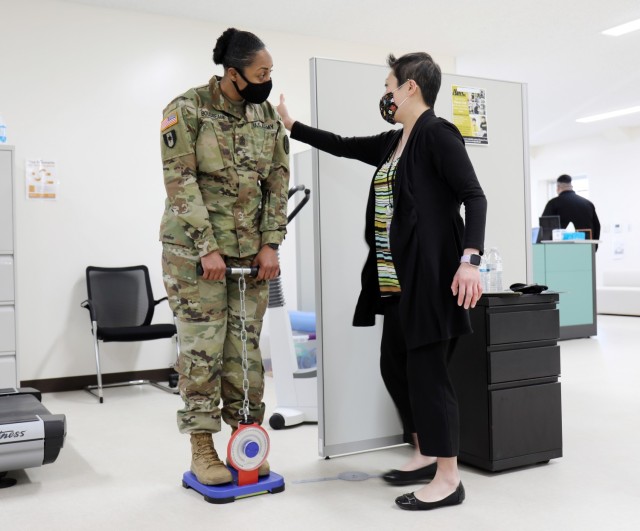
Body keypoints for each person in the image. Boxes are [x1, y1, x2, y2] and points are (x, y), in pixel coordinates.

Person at [277, 52, 487, 511]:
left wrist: (470, 259)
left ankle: (449, 480)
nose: (386, 93)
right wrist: (293, 126)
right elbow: (343, 144)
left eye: (390, 85)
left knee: (430, 376)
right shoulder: (396, 141)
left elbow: (474, 195)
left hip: (433, 280)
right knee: (396, 366)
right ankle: (426, 451)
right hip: (397, 283)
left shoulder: (437, 134)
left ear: (410, 87)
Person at [159, 28, 289, 485]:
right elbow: (180, 181)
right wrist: (206, 247)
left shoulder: (267, 116)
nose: (268, 79)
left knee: (244, 350)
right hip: (194, 259)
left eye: (270, 71)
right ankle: (202, 448)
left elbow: (277, 181)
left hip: (250, 258)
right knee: (203, 352)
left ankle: (245, 440)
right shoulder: (187, 109)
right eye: (261, 72)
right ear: (233, 74)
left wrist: (271, 243)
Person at [542, 174, 600, 241]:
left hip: (559, 249)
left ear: (558, 188)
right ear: (571, 186)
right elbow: (597, 226)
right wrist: (593, 247)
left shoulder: (553, 204)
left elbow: (545, 228)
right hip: (586, 248)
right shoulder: (588, 204)